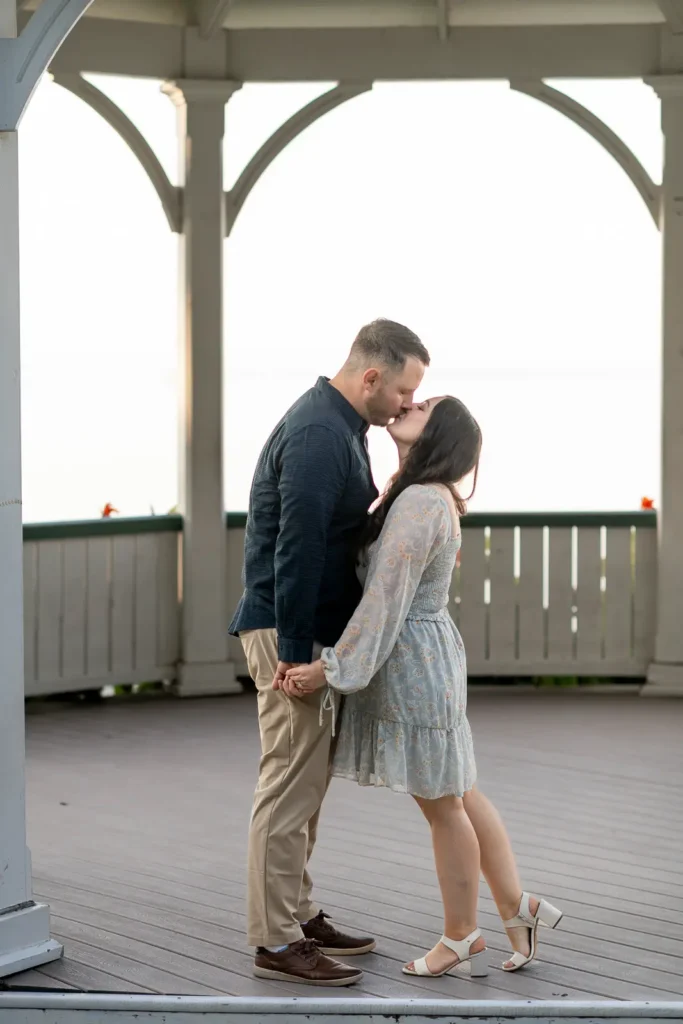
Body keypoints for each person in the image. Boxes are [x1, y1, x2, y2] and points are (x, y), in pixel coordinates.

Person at [285, 396, 564, 979]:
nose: (410, 402)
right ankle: (517, 905)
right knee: (457, 789)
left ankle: (462, 934)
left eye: (426, 404)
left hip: (413, 660)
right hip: (425, 654)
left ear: (438, 434)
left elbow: (387, 599)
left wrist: (331, 669)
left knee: (443, 804)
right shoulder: (426, 495)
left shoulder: (418, 501)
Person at [229, 318, 430, 986]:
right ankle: (276, 939)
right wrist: (293, 651)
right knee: (288, 782)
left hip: (309, 632)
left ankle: (298, 911)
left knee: (304, 781)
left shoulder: (342, 427)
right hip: (292, 634)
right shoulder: (321, 433)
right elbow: (298, 545)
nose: (405, 403)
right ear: (370, 375)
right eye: (403, 390)